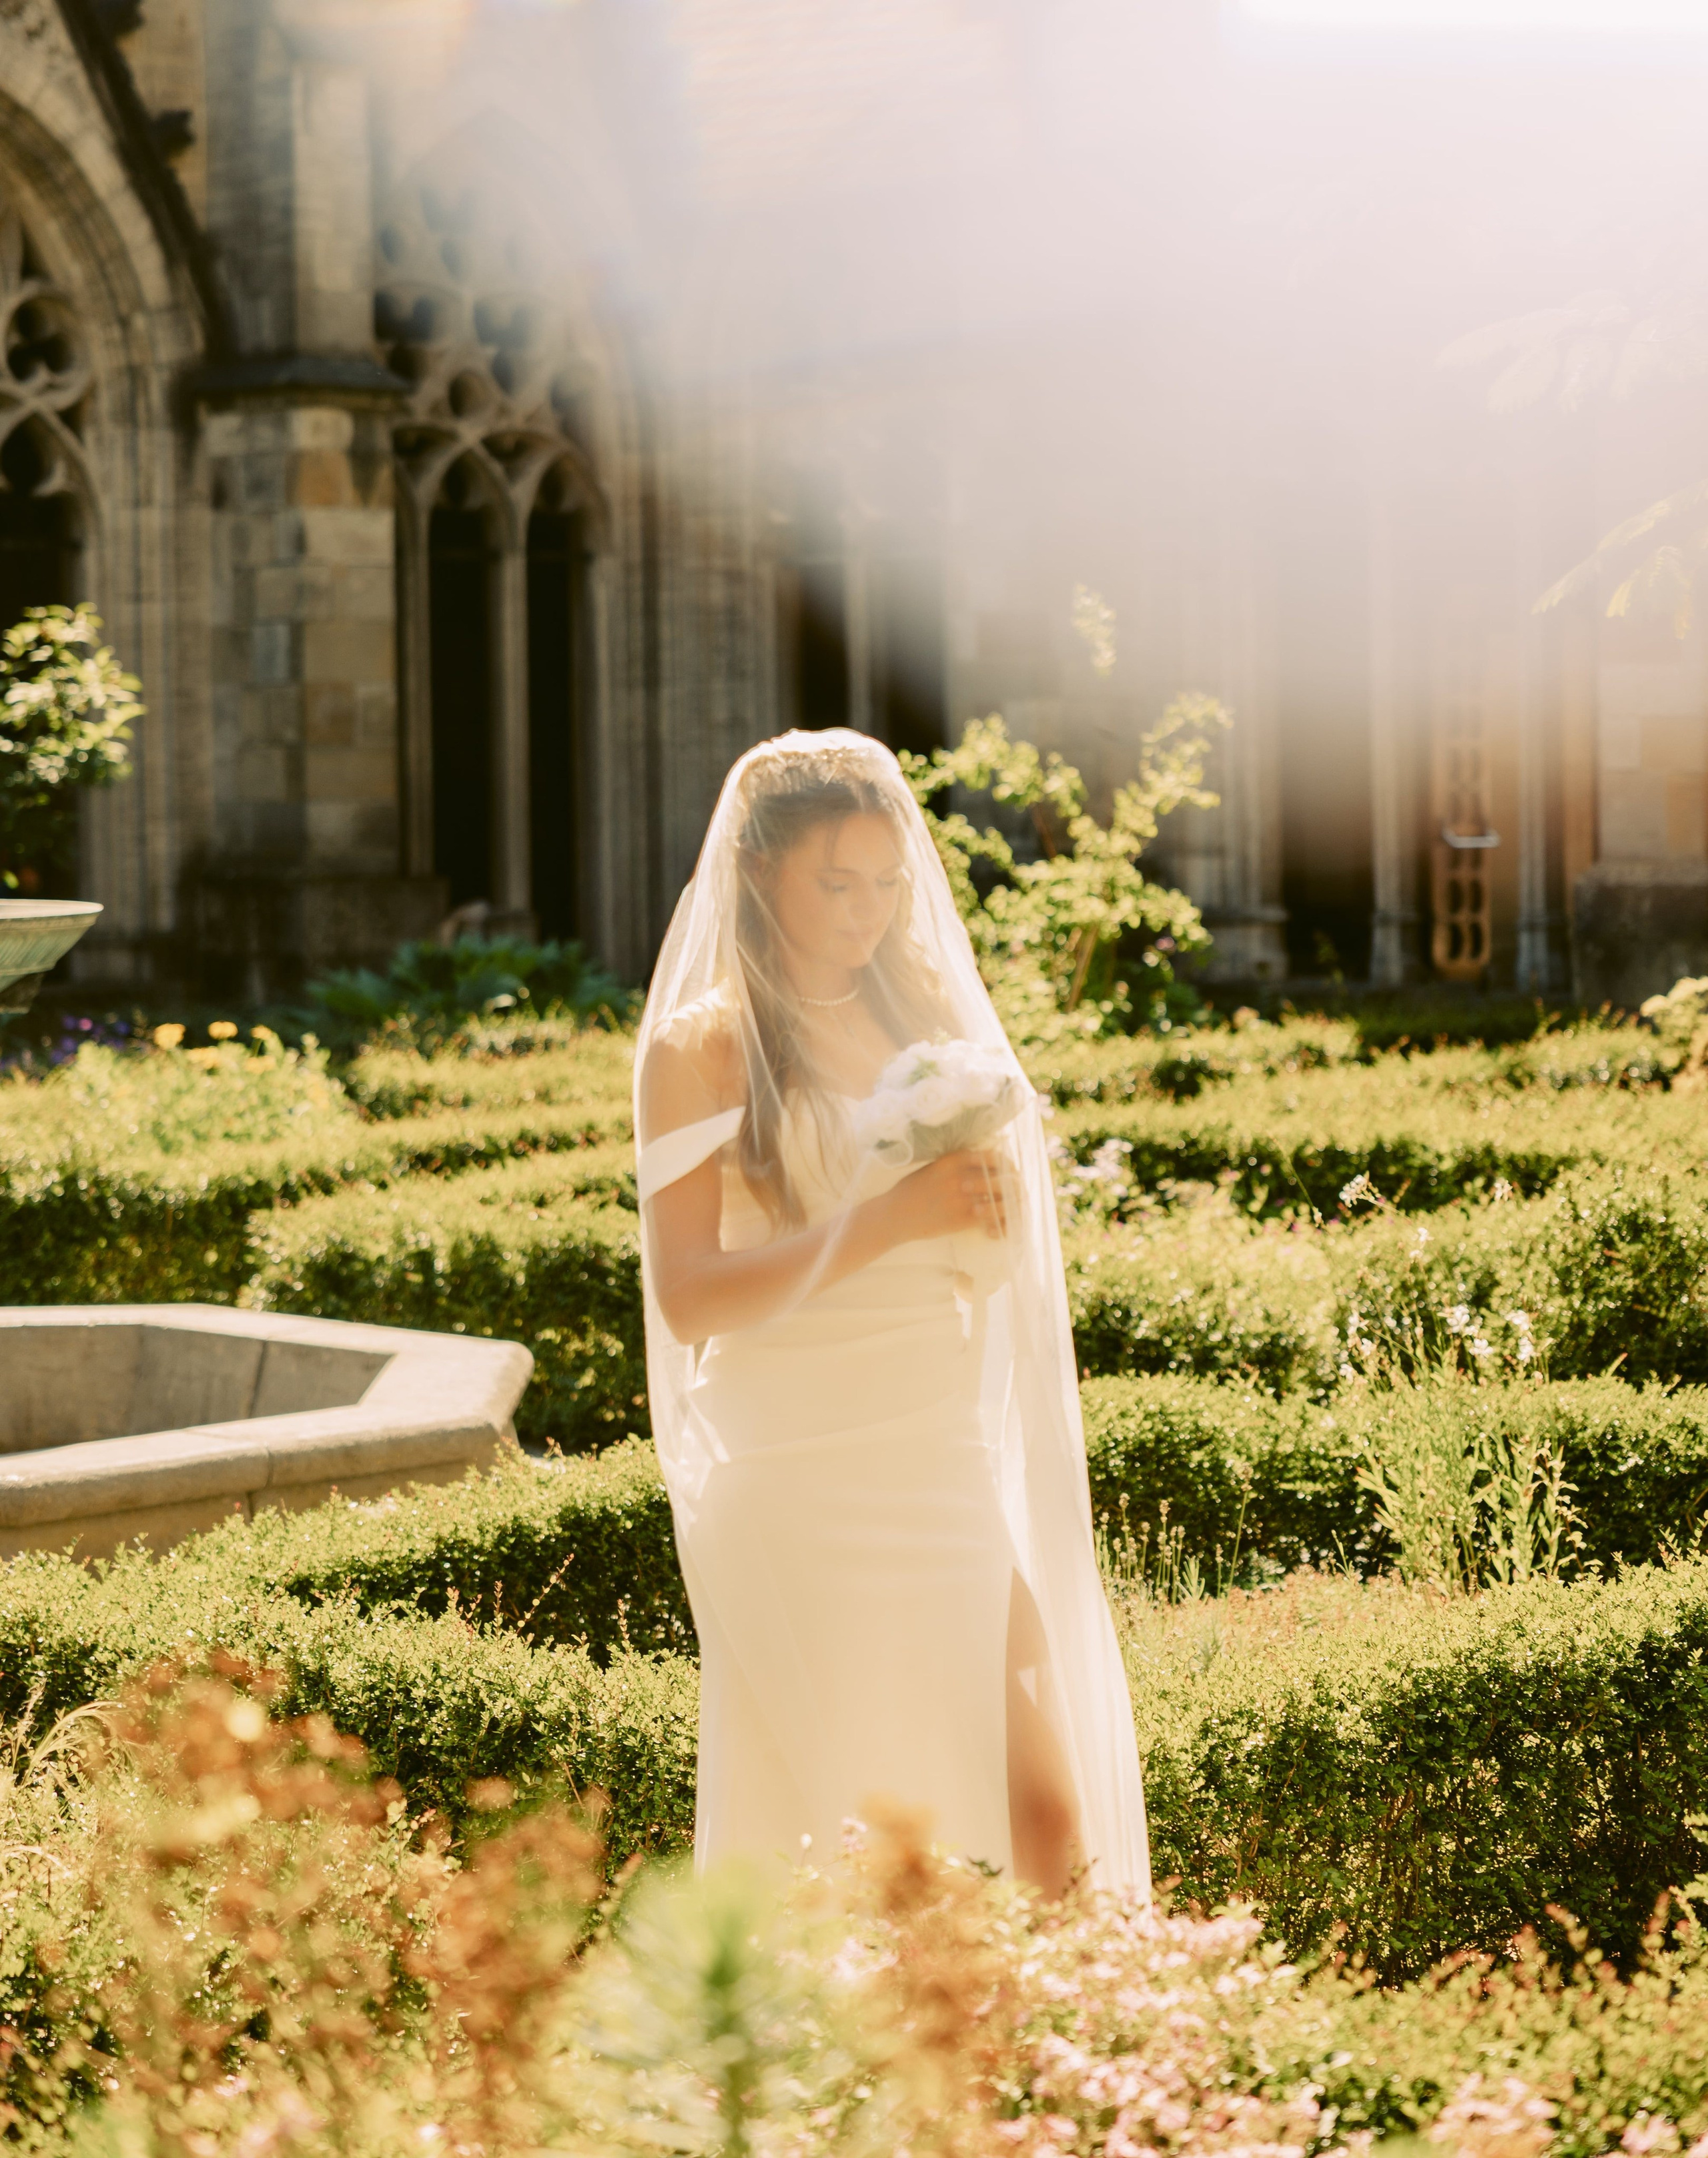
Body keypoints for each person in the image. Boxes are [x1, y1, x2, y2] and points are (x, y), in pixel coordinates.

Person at [634, 728, 1149, 1897]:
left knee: (1042, 1815)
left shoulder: (918, 1014)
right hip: (800, 1469)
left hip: (935, 1450)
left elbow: (971, 1245)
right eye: (836, 883)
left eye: (885, 884)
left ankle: (1082, 2057)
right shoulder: (701, 1049)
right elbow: (689, 1297)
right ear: (761, 872)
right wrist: (894, 1220)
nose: (866, 912)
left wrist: (979, 1215)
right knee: (867, 1839)